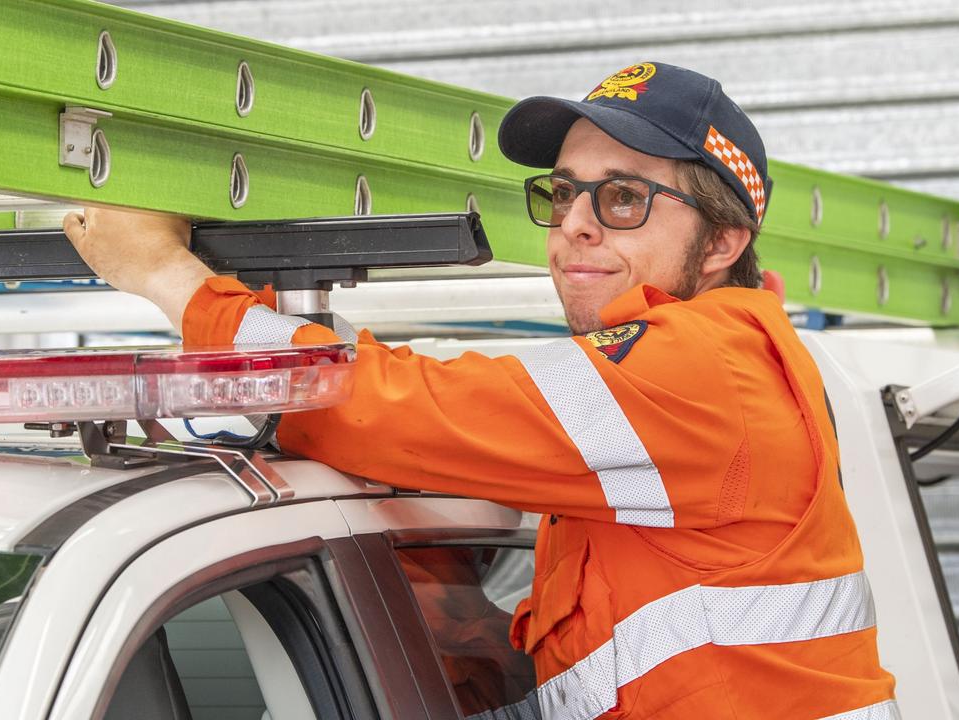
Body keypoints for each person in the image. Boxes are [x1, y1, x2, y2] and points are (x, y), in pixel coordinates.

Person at [65, 61, 899, 719]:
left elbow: (389, 407)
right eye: (564, 191)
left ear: (721, 241)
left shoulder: (699, 372)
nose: (575, 222)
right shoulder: (706, 374)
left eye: (622, 198)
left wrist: (168, 277)